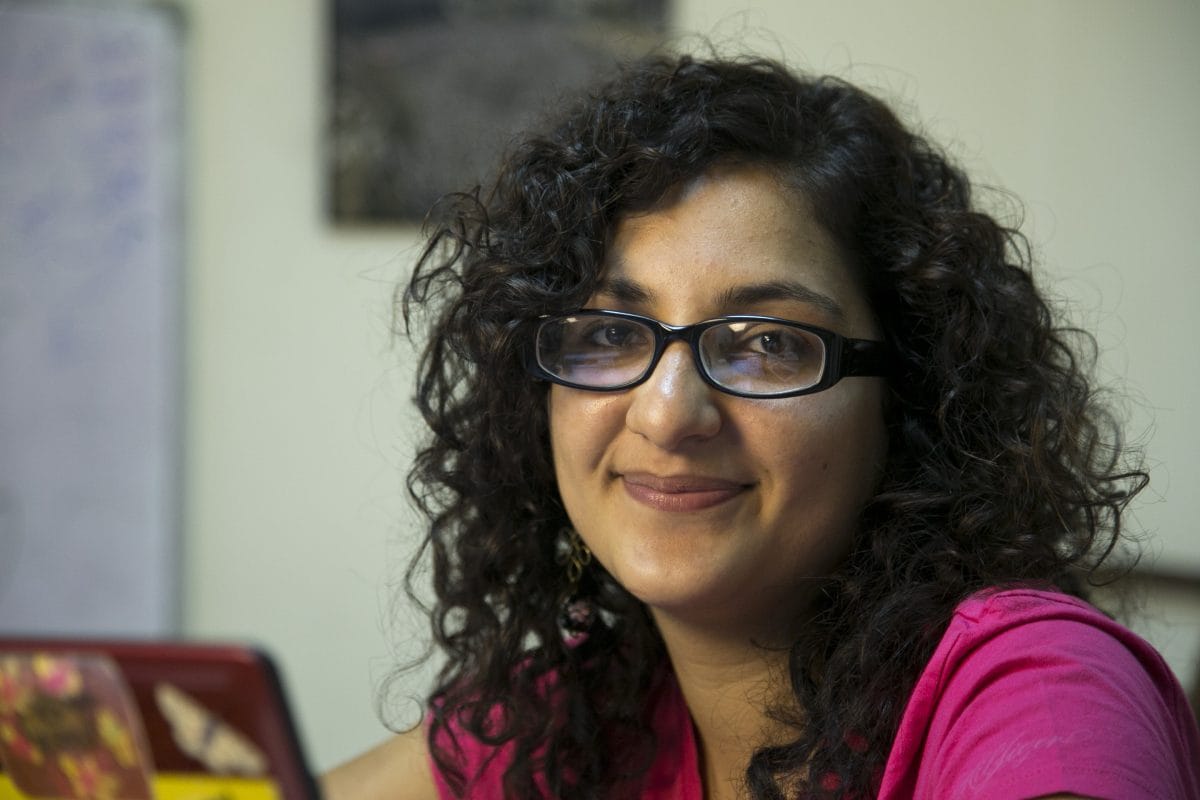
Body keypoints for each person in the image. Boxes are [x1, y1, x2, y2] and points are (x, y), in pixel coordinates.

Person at [322, 54, 1200, 800]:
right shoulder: (580, 710)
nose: (667, 413)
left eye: (768, 343)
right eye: (610, 334)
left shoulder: (1039, 690)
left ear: (910, 394)